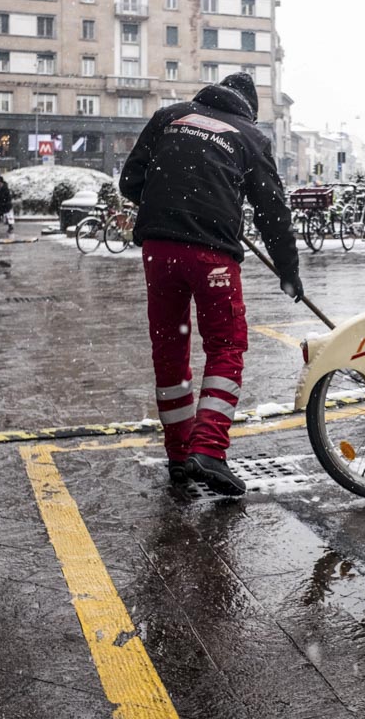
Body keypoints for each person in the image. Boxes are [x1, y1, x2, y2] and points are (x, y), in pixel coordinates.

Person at [119, 72, 302, 497]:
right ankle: (209, 450)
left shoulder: (169, 116)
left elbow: (131, 181)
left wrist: (173, 201)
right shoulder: (251, 137)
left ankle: (179, 455)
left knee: (169, 348)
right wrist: (289, 273)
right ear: (248, 108)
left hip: (159, 249)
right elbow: (273, 212)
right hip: (211, 255)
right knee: (226, 345)